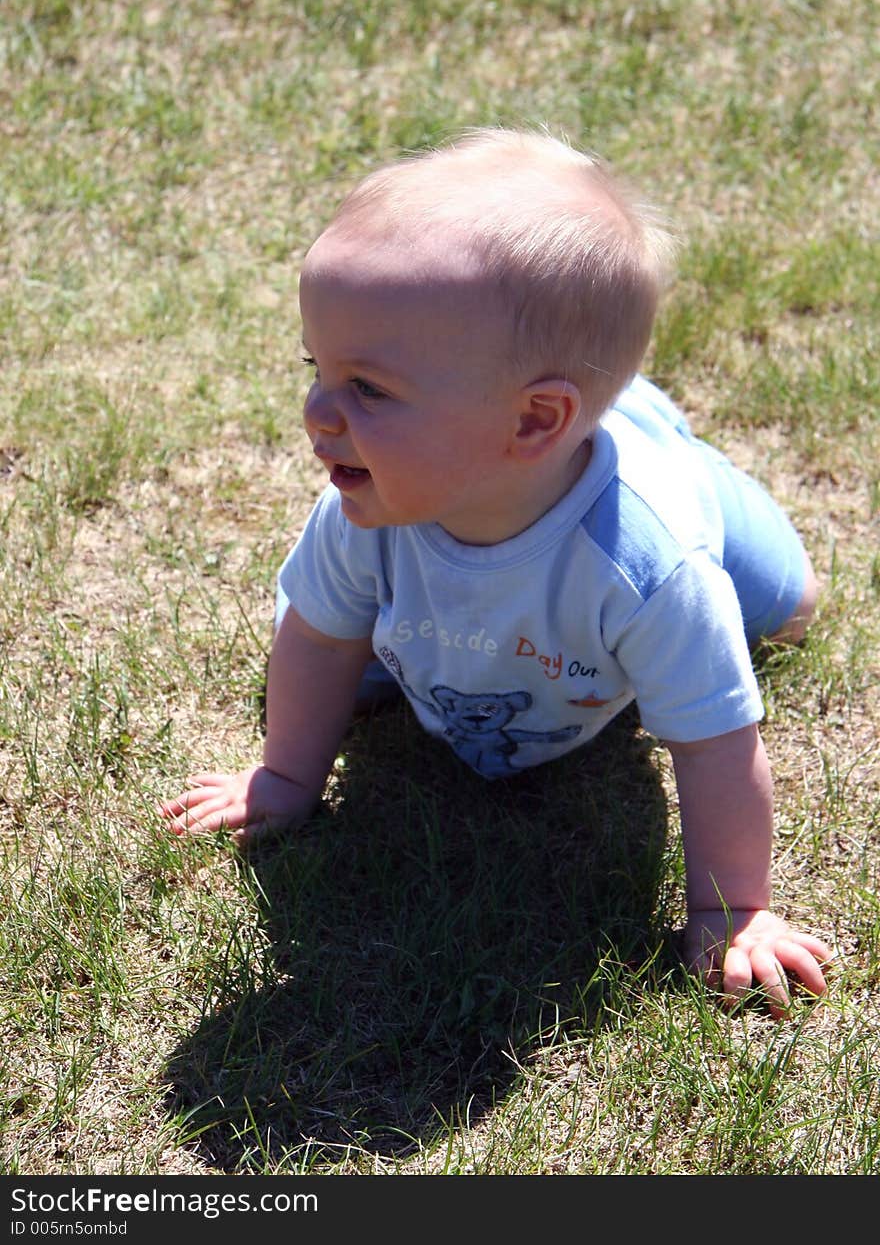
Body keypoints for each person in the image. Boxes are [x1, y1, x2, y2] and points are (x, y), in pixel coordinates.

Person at [160, 127, 832, 1015]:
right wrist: (286, 774)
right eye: (315, 368)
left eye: (368, 389)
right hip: (551, 452)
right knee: (358, 667)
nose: (316, 410)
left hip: (667, 489)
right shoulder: (367, 513)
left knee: (788, 606)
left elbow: (713, 744)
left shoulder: (653, 566)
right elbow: (319, 638)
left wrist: (732, 909)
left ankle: (650, 422)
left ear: (530, 422)